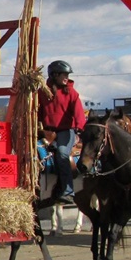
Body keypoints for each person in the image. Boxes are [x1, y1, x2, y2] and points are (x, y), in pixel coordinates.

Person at [37, 60, 86, 204]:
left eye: (67, 74)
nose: (67, 77)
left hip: (66, 131)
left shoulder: (72, 93)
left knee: (63, 153)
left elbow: (79, 113)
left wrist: (80, 127)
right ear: (54, 75)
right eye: (64, 74)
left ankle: (68, 191)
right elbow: (38, 112)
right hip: (47, 132)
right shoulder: (42, 93)